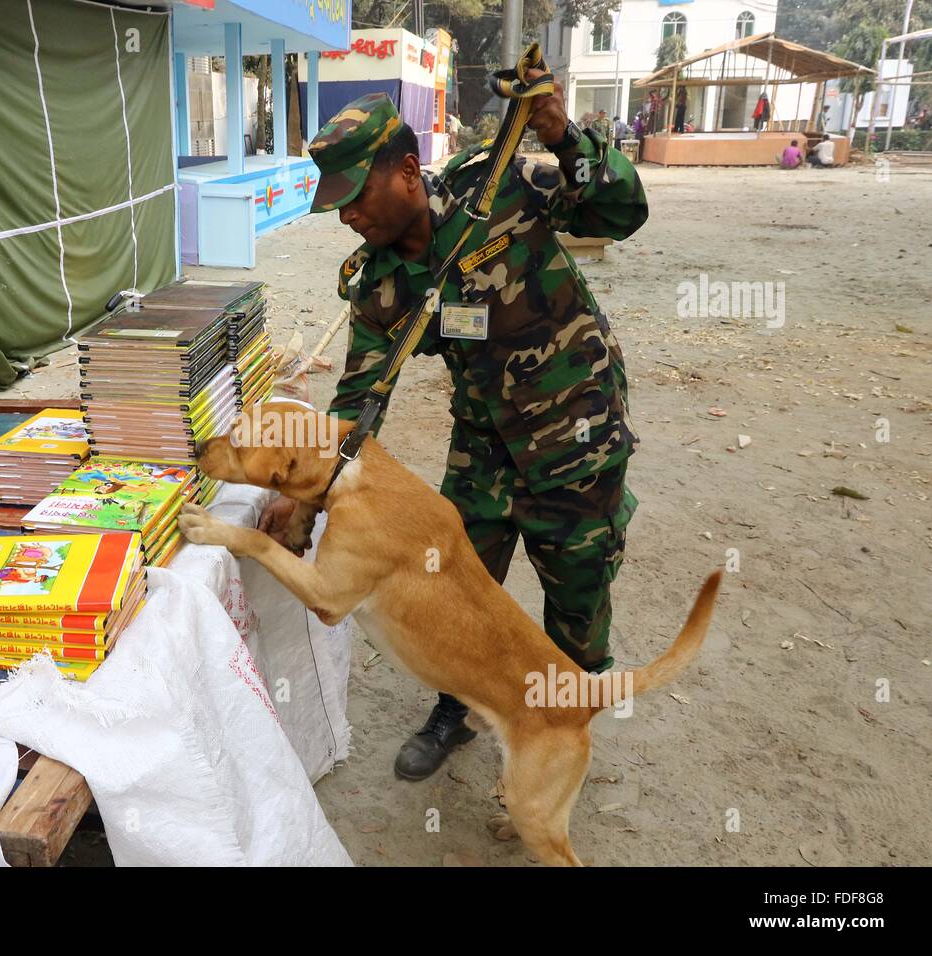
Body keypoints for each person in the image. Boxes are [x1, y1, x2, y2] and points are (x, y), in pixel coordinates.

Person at [264, 88, 648, 781]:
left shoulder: (501, 188)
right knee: (453, 588)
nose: (348, 215)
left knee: (577, 607)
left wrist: (565, 137)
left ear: (408, 170)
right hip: (485, 449)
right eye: (337, 204)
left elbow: (622, 211)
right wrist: (304, 493)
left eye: (357, 195)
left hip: (577, 437)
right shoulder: (379, 282)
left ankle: (558, 739)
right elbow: (360, 400)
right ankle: (457, 708)